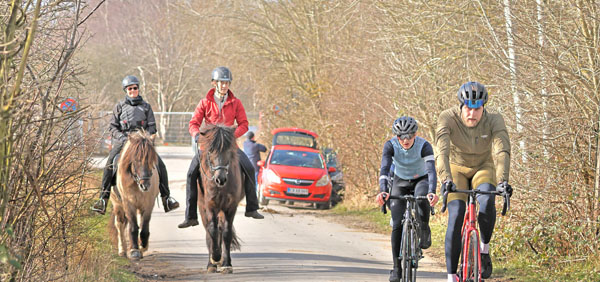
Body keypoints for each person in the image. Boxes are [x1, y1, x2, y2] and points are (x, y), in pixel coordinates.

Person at [435, 81, 513, 282]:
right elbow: (441, 151)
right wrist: (445, 179)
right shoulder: (447, 117)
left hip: (483, 167)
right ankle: (452, 276)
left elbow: (502, 150)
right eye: (468, 108)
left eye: (477, 108)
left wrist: (503, 180)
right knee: (456, 214)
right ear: (461, 105)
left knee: (487, 201)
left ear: (483, 107)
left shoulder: (494, 119)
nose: (472, 113)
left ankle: (484, 249)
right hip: (456, 169)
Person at [178, 66, 264, 229]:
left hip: (228, 146)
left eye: (227, 83)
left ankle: (252, 208)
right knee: (191, 173)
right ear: (214, 83)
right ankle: (190, 216)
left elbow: (244, 124)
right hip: (209, 147)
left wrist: (232, 135)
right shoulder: (204, 103)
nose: (224, 85)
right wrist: (197, 135)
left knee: (249, 168)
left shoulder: (236, 103)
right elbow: (193, 123)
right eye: (221, 82)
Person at [91, 75, 180, 215]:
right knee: (110, 164)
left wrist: (145, 138)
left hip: (142, 144)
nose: (133, 90)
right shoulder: (119, 107)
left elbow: (152, 127)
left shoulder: (146, 107)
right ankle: (103, 199)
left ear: (138, 89)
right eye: (130, 88)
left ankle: (166, 198)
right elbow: (113, 127)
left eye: (135, 88)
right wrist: (123, 138)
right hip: (124, 142)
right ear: (126, 90)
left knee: (160, 165)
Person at [375, 116, 439, 282]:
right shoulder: (390, 145)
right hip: (400, 181)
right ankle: (397, 268)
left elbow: (431, 171)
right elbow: (384, 168)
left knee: (421, 199)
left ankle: (424, 227)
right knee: (396, 223)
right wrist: (383, 191)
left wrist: (432, 191)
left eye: (409, 136)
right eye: (401, 136)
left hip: (421, 179)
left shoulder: (424, 146)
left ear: (415, 134)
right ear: (396, 136)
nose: (405, 140)